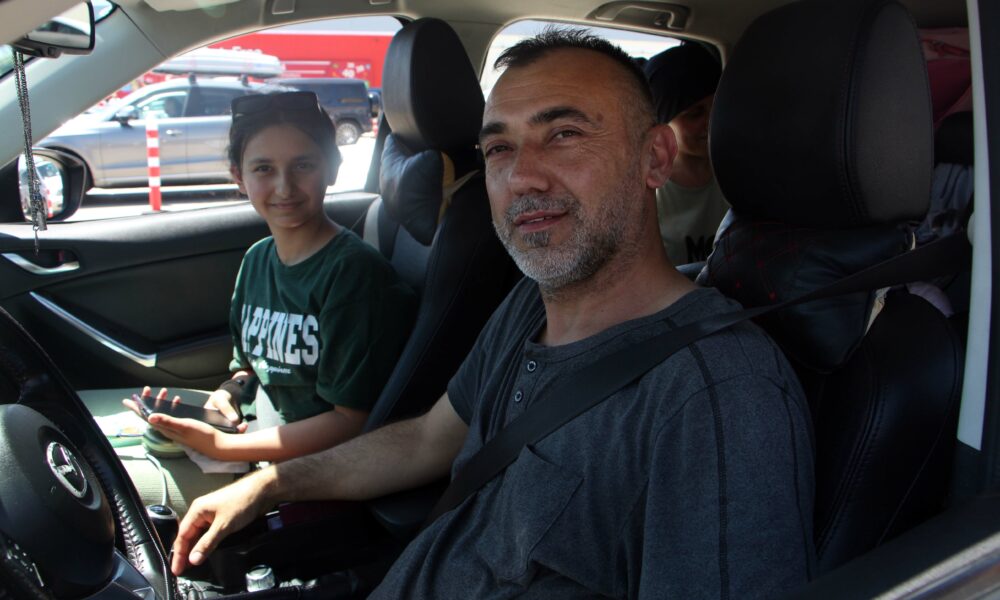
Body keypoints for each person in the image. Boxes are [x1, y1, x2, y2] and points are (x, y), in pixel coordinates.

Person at [170, 32, 815, 598]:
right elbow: (426, 440)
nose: (522, 178)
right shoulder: (529, 304)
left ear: (655, 158)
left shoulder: (719, 393)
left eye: (564, 135)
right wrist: (271, 485)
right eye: (500, 149)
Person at [124, 91, 417, 465]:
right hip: (258, 430)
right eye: (263, 168)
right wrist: (229, 395)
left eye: (303, 165)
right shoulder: (257, 260)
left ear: (332, 167)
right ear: (239, 177)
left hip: (316, 466)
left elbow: (350, 421)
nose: (284, 187)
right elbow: (252, 367)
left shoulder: (353, 275)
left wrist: (221, 447)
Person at [645, 43, 730, 265]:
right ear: (663, 126)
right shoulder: (647, 192)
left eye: (717, 106)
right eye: (695, 114)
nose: (711, 121)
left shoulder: (737, 173)